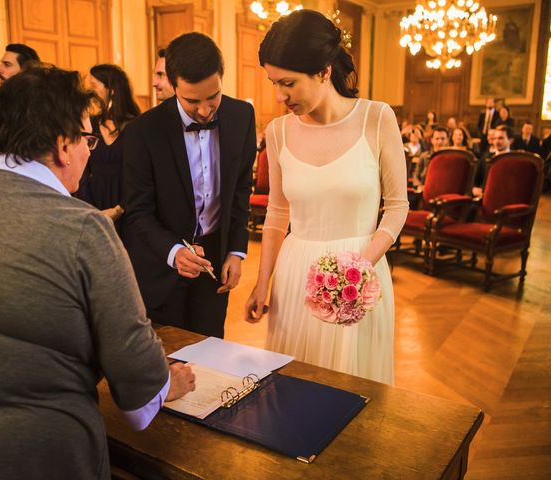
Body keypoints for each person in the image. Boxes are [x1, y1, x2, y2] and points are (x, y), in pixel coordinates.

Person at [0, 64, 195, 480]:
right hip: (40, 459)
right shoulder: (83, 227)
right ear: (64, 145)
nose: (88, 152)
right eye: (88, 139)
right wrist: (168, 383)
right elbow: (138, 395)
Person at [243, 10, 408, 384]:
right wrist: (262, 281)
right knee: (294, 386)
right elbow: (276, 213)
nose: (279, 95)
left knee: (353, 389)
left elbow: (397, 208)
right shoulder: (279, 131)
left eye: (288, 83)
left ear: (323, 72)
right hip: (295, 276)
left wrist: (358, 268)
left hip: (360, 275)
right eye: (273, 83)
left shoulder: (377, 118)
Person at [122, 32, 256, 338]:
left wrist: (236, 250)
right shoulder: (143, 131)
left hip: (213, 266)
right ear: (173, 85)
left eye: (214, 97)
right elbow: (137, 211)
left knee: (210, 354)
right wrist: (173, 251)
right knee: (168, 358)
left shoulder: (241, 117)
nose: (206, 110)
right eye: (192, 101)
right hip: (161, 264)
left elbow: (240, 192)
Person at [75, 64, 140, 242]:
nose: (89, 90)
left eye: (94, 85)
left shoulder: (136, 126)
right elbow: (83, 169)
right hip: (94, 205)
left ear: (111, 90)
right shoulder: (91, 124)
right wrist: (90, 210)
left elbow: (141, 174)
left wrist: (118, 210)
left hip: (128, 206)